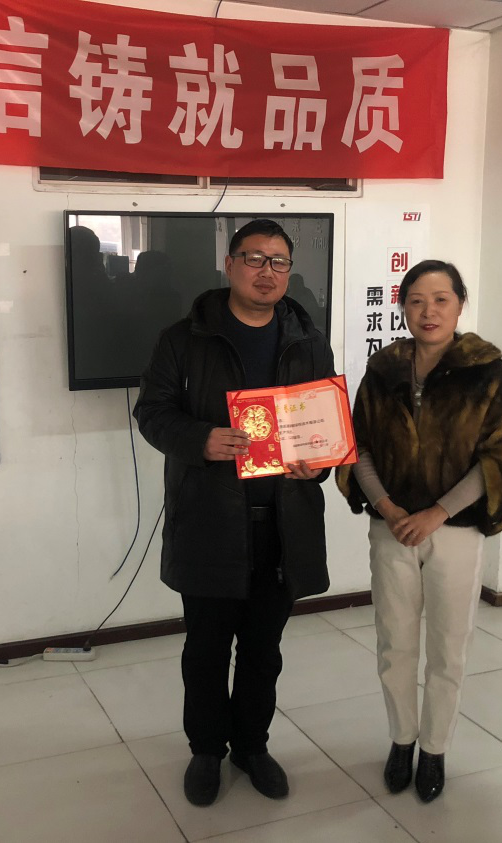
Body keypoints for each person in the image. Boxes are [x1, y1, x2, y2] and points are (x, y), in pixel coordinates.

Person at [133, 219, 336, 807]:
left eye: (279, 261)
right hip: (211, 521)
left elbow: (322, 424)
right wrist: (199, 439)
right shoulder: (183, 338)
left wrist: (318, 464)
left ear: (289, 271)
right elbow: (152, 413)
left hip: (283, 524)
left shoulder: (307, 339)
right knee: (205, 650)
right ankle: (206, 751)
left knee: (263, 651)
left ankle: (252, 746)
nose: (267, 272)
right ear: (229, 265)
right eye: (254, 258)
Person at [335, 260, 502, 803]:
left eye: (441, 299)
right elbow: (357, 446)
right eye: (416, 300)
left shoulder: (487, 371)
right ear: (402, 308)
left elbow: (495, 458)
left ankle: (435, 748)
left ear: (460, 304)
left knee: (448, 645)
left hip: (455, 530)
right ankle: (401, 740)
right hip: (391, 527)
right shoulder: (382, 370)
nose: (428, 311)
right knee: (395, 642)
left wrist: (437, 512)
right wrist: (388, 507)